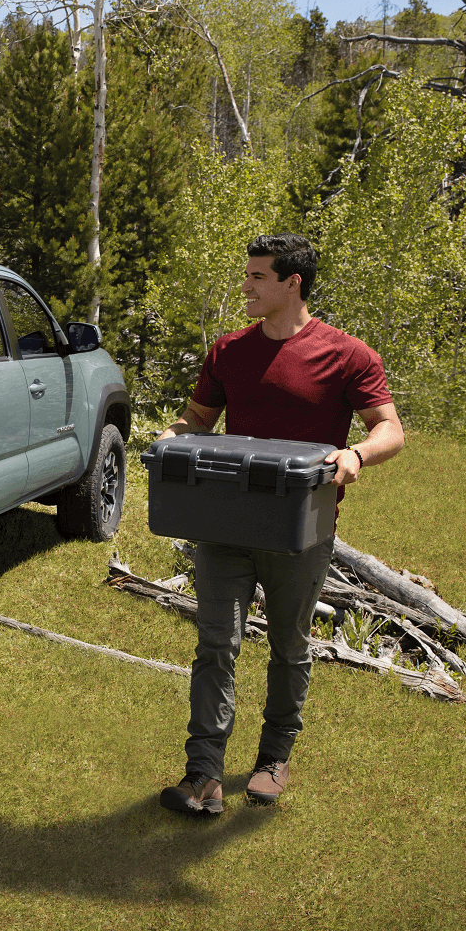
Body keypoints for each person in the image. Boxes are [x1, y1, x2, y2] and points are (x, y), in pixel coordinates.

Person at [156, 233, 404, 816]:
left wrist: (356, 456)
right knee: (216, 645)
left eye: (257, 277)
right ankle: (204, 775)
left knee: (290, 647)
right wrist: (170, 437)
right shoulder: (229, 351)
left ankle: (273, 758)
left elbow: (389, 429)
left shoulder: (346, 355)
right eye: (247, 275)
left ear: (293, 284)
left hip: (300, 530)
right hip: (224, 523)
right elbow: (197, 417)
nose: (245, 286)